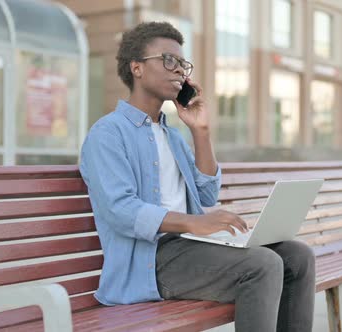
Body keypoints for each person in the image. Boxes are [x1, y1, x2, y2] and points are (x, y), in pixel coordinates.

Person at [80, 21, 315, 332]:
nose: (180, 71)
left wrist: (200, 131)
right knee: (263, 265)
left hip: (190, 248)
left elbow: (206, 195)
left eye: (182, 63)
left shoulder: (173, 136)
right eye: (168, 60)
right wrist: (193, 221)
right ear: (136, 68)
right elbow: (120, 210)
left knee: (297, 256)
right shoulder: (108, 134)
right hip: (150, 261)